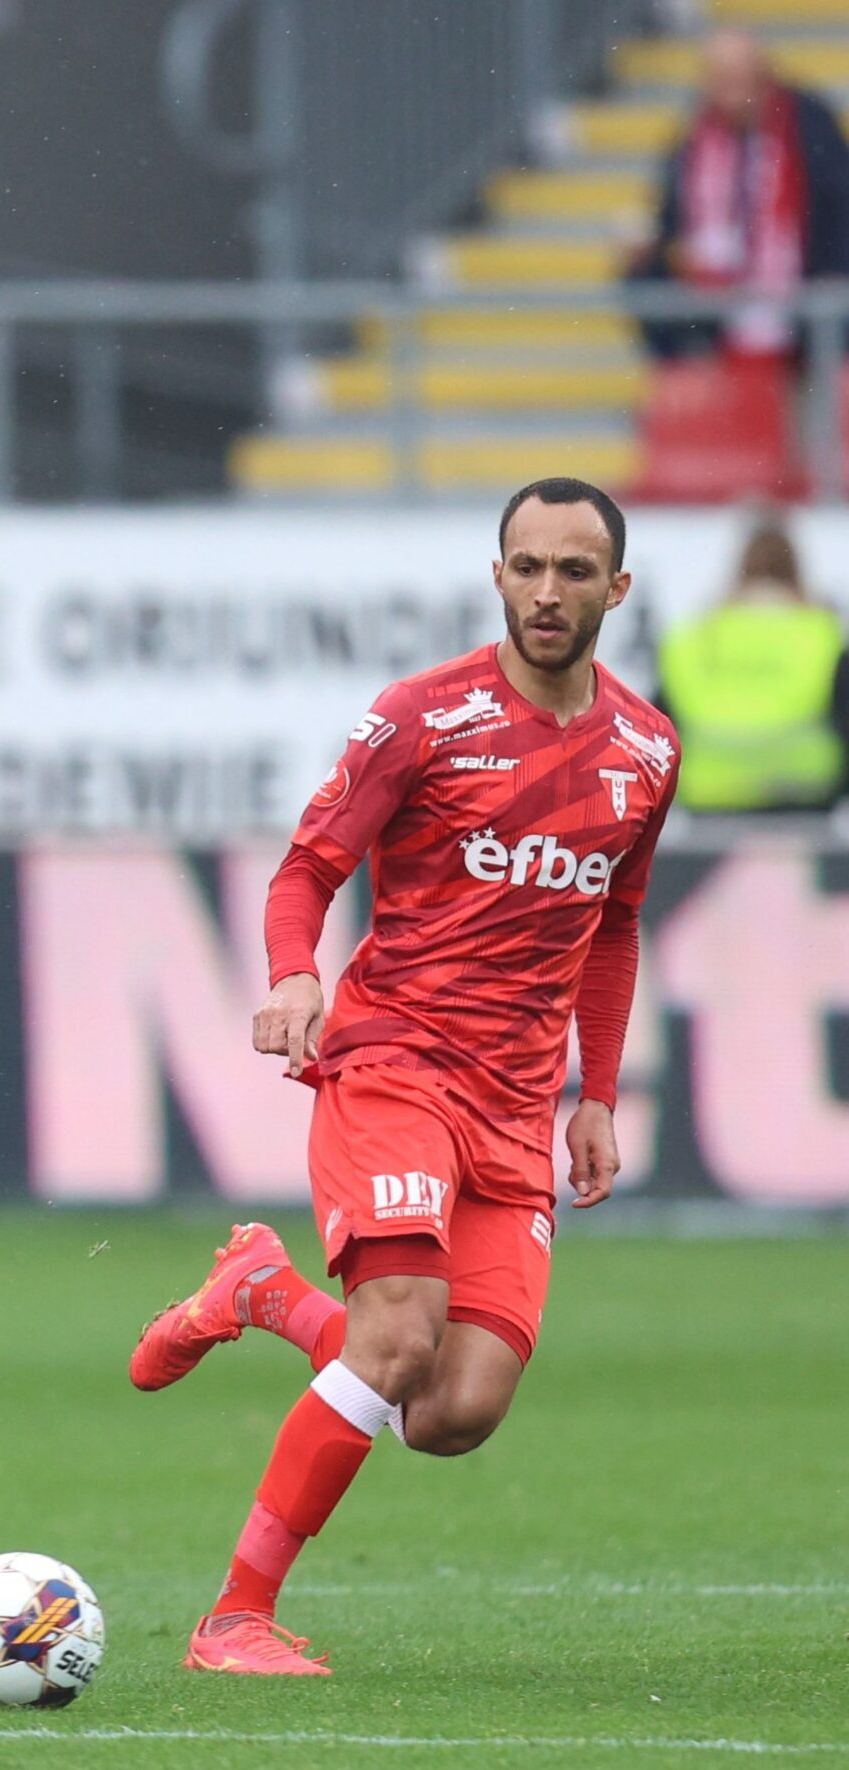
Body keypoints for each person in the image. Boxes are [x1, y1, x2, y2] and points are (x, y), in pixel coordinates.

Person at [128, 477, 678, 1676]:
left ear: (614, 589)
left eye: (572, 571)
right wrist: (291, 978)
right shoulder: (421, 719)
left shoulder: (646, 749)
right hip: (394, 1064)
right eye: (525, 566)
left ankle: (263, 1293)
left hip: (516, 1103)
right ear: (495, 575)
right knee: (397, 1335)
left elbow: (616, 923)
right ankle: (233, 1616)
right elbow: (302, 869)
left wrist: (597, 1094)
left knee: (451, 1408)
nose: (546, 591)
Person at [626, 27, 849, 364]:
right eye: (718, 80)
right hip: (719, 321)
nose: (728, 94)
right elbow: (671, 223)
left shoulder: (807, 124)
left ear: (762, 76)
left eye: (737, 79)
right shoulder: (693, 140)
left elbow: (837, 207)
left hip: (803, 318)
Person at [655, 518, 849, 812]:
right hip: (803, 799)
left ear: (739, 571)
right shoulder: (823, 634)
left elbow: (654, 730)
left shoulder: (692, 638)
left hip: (709, 801)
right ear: (796, 573)